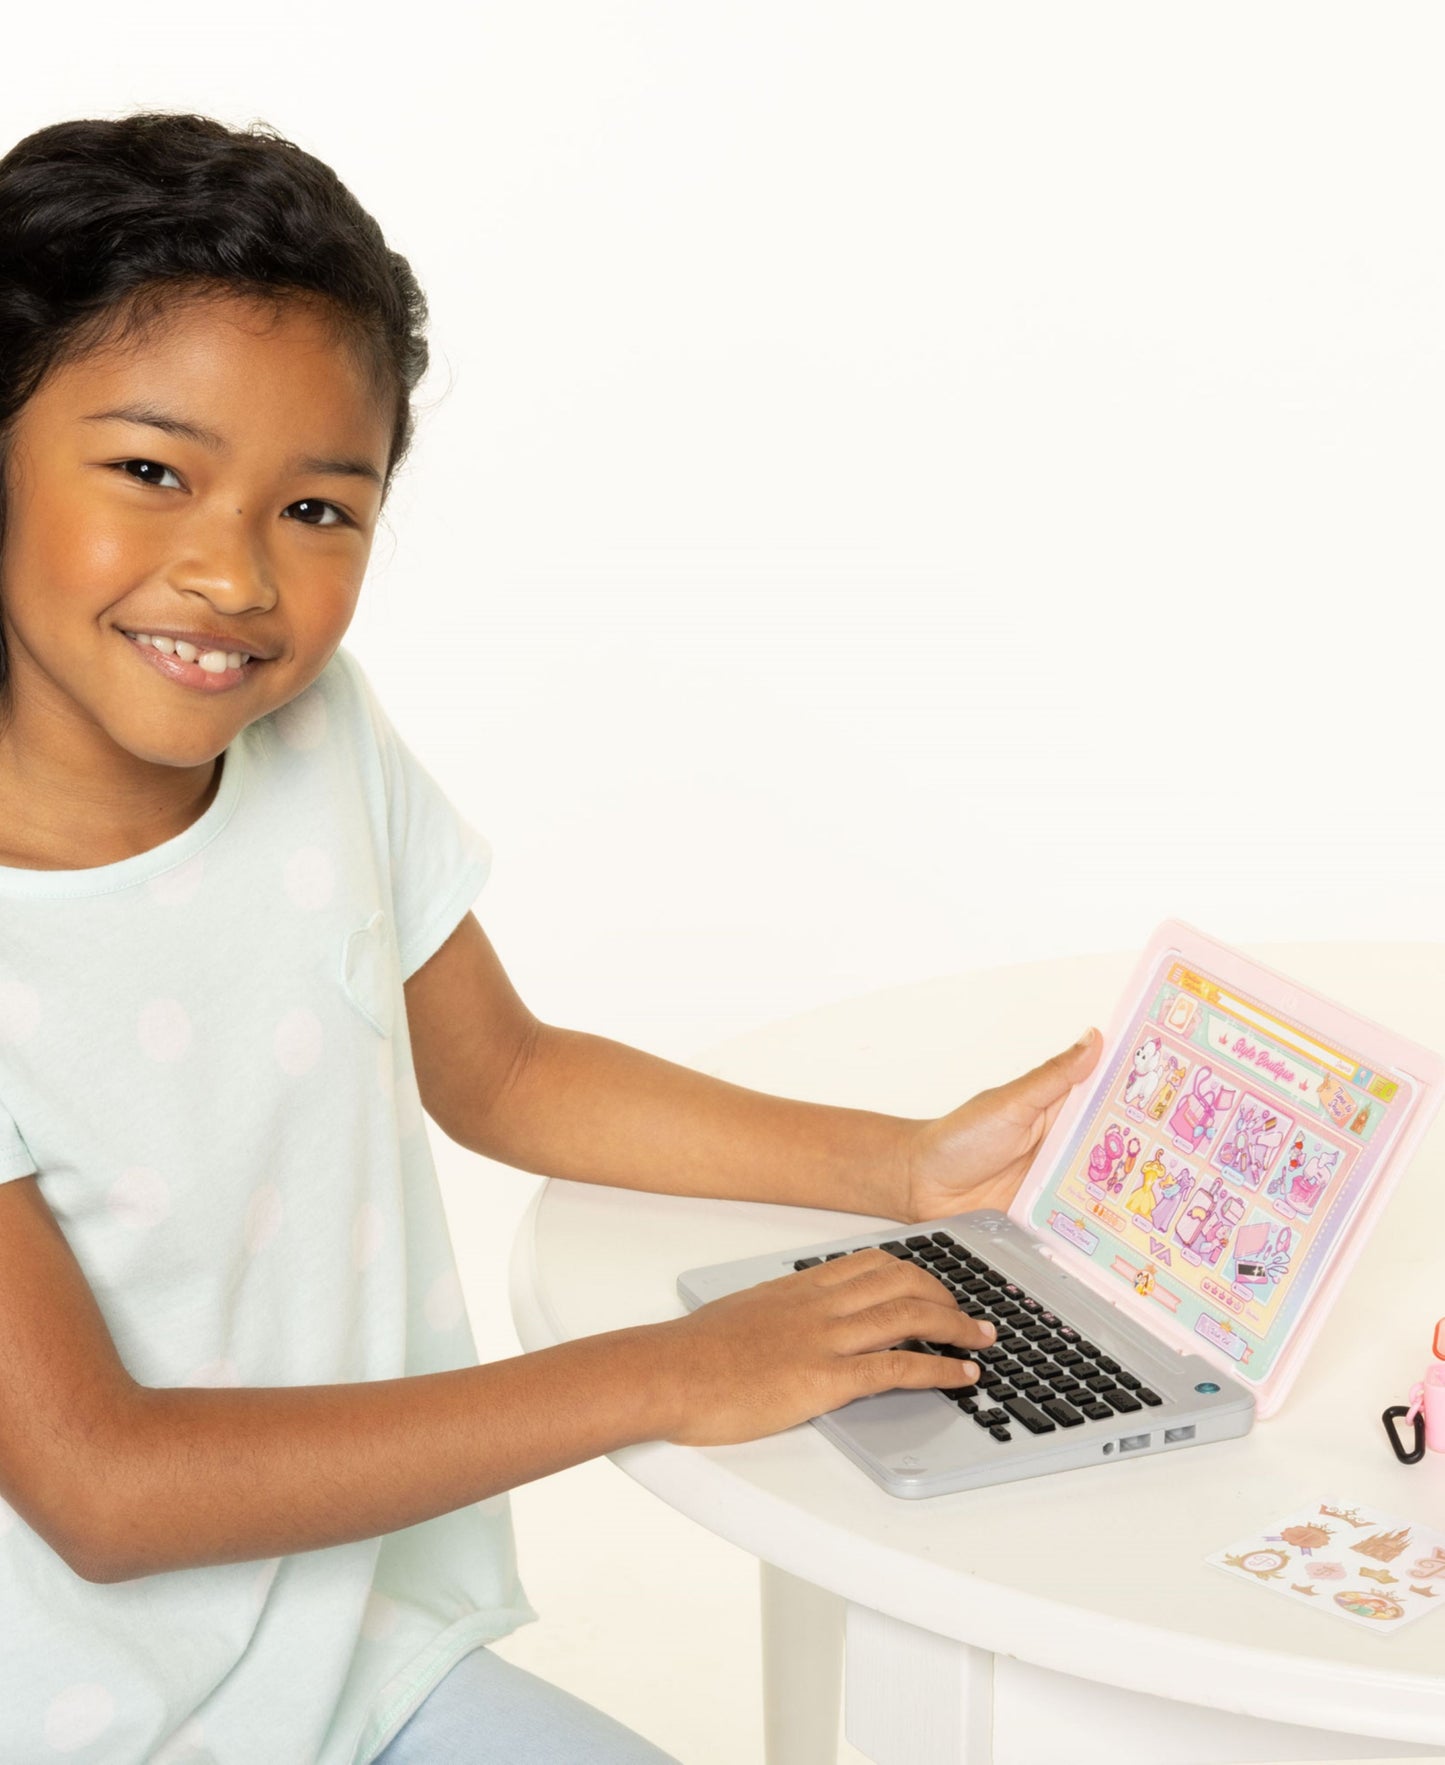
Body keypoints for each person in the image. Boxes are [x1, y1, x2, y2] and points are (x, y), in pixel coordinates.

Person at [0, 111, 1102, 1765]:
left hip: (353, 1671)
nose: (232, 574)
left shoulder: (316, 738)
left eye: (318, 507)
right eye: (153, 471)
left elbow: (502, 1071)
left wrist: (904, 1164)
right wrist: (670, 1370)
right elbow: (104, 1488)